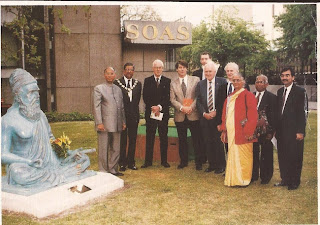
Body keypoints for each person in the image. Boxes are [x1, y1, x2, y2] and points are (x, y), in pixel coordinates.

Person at [1, 69, 91, 193]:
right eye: (31, 92)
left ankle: (56, 174)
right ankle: (62, 174)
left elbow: (51, 140)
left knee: (83, 159)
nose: (37, 96)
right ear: (18, 95)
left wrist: (69, 152)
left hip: (51, 162)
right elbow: (2, 155)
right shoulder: (7, 120)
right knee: (17, 172)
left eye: (37, 92)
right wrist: (28, 161)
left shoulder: (41, 115)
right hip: (26, 165)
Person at [220, 72, 258, 187]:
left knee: (244, 156)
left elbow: (253, 115)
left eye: (238, 80)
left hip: (243, 132)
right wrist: (224, 129)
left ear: (243, 82)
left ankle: (244, 179)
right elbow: (225, 114)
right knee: (233, 154)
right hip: (232, 132)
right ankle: (234, 178)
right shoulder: (230, 96)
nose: (236, 82)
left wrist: (249, 131)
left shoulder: (248, 95)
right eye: (234, 80)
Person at [274, 68, 307, 190]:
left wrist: (300, 131)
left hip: (294, 131)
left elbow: (301, 113)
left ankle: (294, 182)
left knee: (295, 156)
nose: (284, 78)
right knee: (282, 156)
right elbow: (279, 112)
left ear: (293, 77)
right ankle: (285, 179)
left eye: (287, 75)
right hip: (281, 131)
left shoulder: (299, 91)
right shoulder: (279, 91)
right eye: (282, 75)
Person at [170, 60, 203, 170]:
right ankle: (183, 161)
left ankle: (199, 162)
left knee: (196, 139)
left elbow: (198, 96)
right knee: (182, 139)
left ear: (187, 69)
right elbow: (172, 99)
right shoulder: (173, 83)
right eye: (180, 67)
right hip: (180, 115)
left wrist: (191, 107)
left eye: (184, 67)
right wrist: (182, 107)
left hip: (193, 114)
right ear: (176, 69)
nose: (182, 69)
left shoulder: (196, 80)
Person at [93, 67, 126, 176]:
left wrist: (123, 121)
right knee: (104, 147)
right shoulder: (99, 88)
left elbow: (121, 107)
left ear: (115, 75)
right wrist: (99, 122)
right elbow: (96, 107)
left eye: (112, 73)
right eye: (108, 73)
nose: (110, 75)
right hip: (104, 124)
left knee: (116, 148)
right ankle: (103, 170)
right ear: (104, 75)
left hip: (117, 123)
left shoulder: (118, 89)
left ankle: (113, 169)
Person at [196, 61, 227, 174]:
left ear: (215, 71)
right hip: (205, 118)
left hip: (217, 117)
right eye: (206, 71)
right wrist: (204, 113)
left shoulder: (222, 82)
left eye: (210, 71)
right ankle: (212, 164)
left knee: (218, 142)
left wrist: (216, 112)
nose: (208, 73)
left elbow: (224, 100)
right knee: (207, 141)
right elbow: (198, 101)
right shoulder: (200, 84)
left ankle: (221, 165)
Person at [141, 59, 171, 168]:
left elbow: (168, 98)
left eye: (160, 67)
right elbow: (145, 96)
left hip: (163, 113)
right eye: (156, 67)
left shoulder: (167, 81)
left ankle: (164, 161)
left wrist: (159, 107)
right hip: (151, 113)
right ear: (153, 68)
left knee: (163, 137)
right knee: (150, 137)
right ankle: (148, 161)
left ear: (162, 69)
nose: (158, 69)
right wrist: (153, 107)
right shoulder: (147, 80)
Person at [217, 62, 250, 154]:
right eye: (227, 71)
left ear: (237, 71)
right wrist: (220, 123)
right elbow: (219, 106)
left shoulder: (244, 86)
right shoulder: (222, 87)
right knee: (228, 146)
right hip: (227, 122)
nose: (229, 73)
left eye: (231, 70)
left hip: (239, 122)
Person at [114, 63, 142, 171]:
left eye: (131, 70)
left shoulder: (138, 84)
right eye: (127, 69)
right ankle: (122, 162)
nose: (129, 71)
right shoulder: (117, 83)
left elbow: (137, 101)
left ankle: (131, 162)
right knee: (122, 140)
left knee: (133, 140)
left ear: (133, 71)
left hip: (133, 117)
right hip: (122, 117)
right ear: (123, 71)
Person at [251, 75, 277, 184]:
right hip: (252, 131)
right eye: (257, 82)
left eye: (261, 82)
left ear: (266, 84)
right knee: (254, 153)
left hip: (266, 131)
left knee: (266, 154)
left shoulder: (272, 97)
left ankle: (265, 177)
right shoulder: (251, 96)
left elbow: (274, 116)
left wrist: (271, 132)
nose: (259, 84)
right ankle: (254, 175)